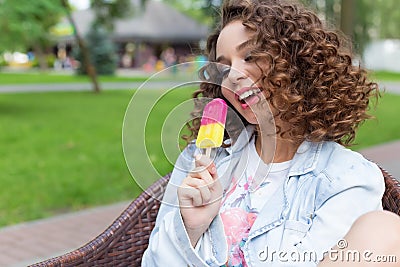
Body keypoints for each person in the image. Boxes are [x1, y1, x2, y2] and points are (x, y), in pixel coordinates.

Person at [142, 0, 400, 266]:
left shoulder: (346, 178)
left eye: (250, 56)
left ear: (297, 63)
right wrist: (191, 228)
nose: (234, 76)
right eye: (225, 66)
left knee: (385, 228)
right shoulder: (201, 161)